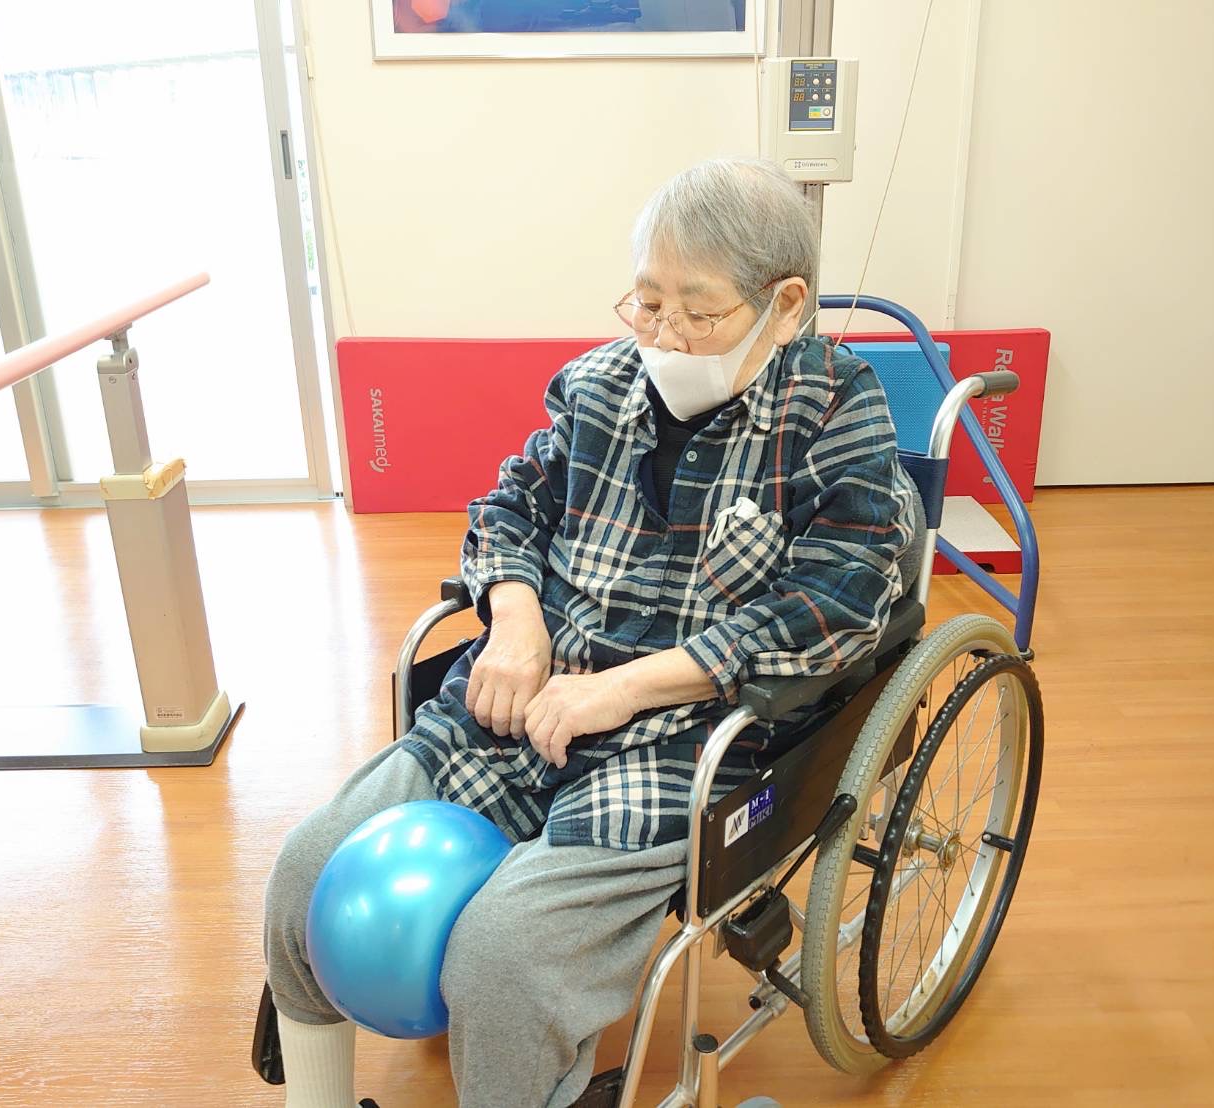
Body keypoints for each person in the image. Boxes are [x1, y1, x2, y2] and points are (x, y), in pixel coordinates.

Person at [262, 156, 917, 1108]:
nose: (663, 334)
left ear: (783, 307)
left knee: (500, 959)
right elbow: (508, 507)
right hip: (520, 702)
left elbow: (843, 599)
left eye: (698, 312)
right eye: (647, 302)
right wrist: (514, 620)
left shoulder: (831, 407)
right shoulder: (597, 385)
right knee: (304, 872)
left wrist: (623, 688)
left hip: (675, 742)